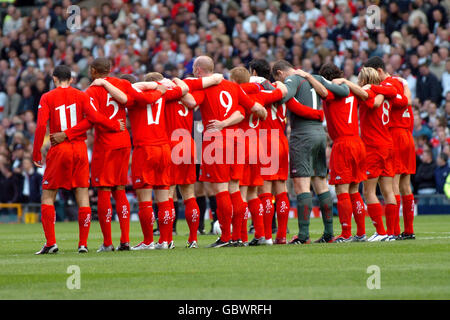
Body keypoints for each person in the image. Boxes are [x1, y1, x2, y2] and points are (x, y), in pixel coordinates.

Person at [50, 58, 147, 252]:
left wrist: (66, 134)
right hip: (124, 141)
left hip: (106, 145)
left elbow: (90, 120)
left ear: (94, 71)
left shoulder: (91, 91)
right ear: (110, 70)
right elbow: (135, 100)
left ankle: (108, 243)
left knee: (103, 190)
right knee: (119, 189)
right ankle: (125, 240)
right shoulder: (122, 83)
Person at [32, 64, 125, 255]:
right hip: (80, 149)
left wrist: (36, 153)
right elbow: (93, 118)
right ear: (72, 79)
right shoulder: (82, 95)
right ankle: (83, 244)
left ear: (54, 78)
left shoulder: (47, 97)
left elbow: (41, 125)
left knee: (48, 195)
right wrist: (114, 124)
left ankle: (51, 243)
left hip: (59, 149)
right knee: (82, 195)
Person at [181, 55, 267, 248]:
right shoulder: (233, 86)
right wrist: (262, 113)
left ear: (198, 70)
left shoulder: (205, 88)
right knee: (235, 189)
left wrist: (180, 88)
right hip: (237, 140)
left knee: (220, 190)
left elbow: (189, 102)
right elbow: (253, 108)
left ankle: (226, 237)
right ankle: (238, 236)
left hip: (216, 142)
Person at [271, 60, 350, 244]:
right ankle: (329, 233)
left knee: (302, 185)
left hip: (302, 136)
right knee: (320, 183)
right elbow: (344, 92)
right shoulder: (316, 78)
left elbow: (283, 96)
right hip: (320, 134)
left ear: (280, 73)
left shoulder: (291, 80)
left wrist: (275, 88)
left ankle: (304, 235)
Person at [364, 56, 416, 240]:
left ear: (378, 71)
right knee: (405, 185)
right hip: (407, 135)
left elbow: (401, 101)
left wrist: (369, 87)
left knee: (391, 185)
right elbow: (407, 101)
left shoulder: (388, 84)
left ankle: (392, 231)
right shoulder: (399, 82)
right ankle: (408, 230)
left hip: (393, 135)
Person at [319, 63, 369, 242]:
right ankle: (361, 232)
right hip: (357, 141)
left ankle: (346, 233)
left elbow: (323, 92)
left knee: (341, 190)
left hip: (342, 144)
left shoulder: (331, 93)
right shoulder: (351, 91)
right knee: (354, 189)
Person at [356, 67, 396, 242]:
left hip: (373, 146)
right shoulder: (385, 93)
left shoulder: (369, 94)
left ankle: (381, 231)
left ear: (364, 80)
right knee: (388, 190)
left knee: (369, 191)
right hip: (387, 144)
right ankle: (392, 233)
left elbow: (372, 104)